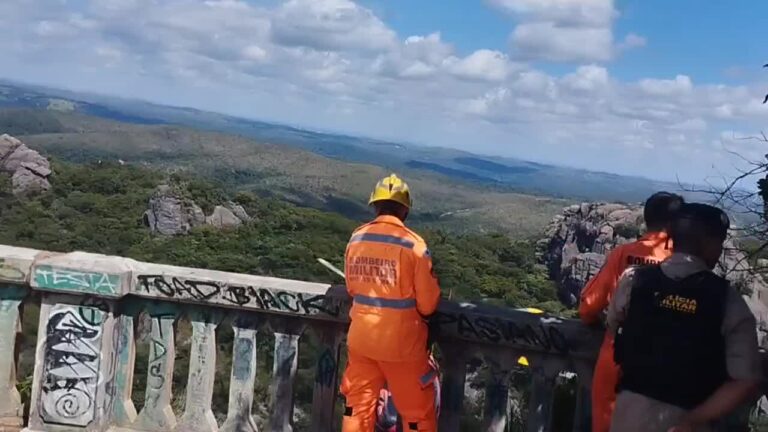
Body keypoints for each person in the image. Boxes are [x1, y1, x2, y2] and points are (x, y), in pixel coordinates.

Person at [608, 203, 762, 432]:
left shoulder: (634, 280)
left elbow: (612, 325)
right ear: (709, 244)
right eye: (719, 244)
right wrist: (694, 420)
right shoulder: (727, 301)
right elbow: (746, 379)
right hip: (689, 418)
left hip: (629, 415)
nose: (720, 251)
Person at [341, 174, 442, 432]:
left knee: (357, 410)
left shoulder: (357, 239)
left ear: (375, 205)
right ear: (405, 209)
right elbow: (428, 304)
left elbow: (352, 288)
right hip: (402, 345)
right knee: (416, 415)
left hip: (361, 338)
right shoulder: (414, 246)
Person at [579, 192, 685, 432]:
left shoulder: (623, 254)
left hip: (617, 357)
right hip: (667, 364)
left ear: (647, 219)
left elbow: (588, 308)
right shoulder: (685, 264)